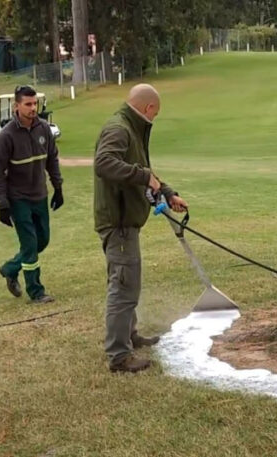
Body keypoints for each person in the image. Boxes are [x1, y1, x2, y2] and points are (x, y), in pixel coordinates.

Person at [94, 84, 188, 373]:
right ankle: (119, 355)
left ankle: (129, 335)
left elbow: (143, 170)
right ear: (148, 109)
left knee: (128, 282)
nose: (154, 118)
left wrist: (168, 192)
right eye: (155, 114)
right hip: (119, 222)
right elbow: (104, 163)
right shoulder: (119, 129)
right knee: (123, 288)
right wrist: (144, 175)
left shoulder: (131, 129)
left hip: (128, 222)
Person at [0, 85, 64, 304]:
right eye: (28, 104)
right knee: (30, 245)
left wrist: (58, 187)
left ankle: (10, 268)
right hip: (18, 199)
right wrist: (2, 204)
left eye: (35, 104)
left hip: (39, 195)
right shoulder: (6, 136)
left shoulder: (44, 129)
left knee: (42, 240)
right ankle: (36, 291)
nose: (33, 108)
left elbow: (52, 159)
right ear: (17, 106)